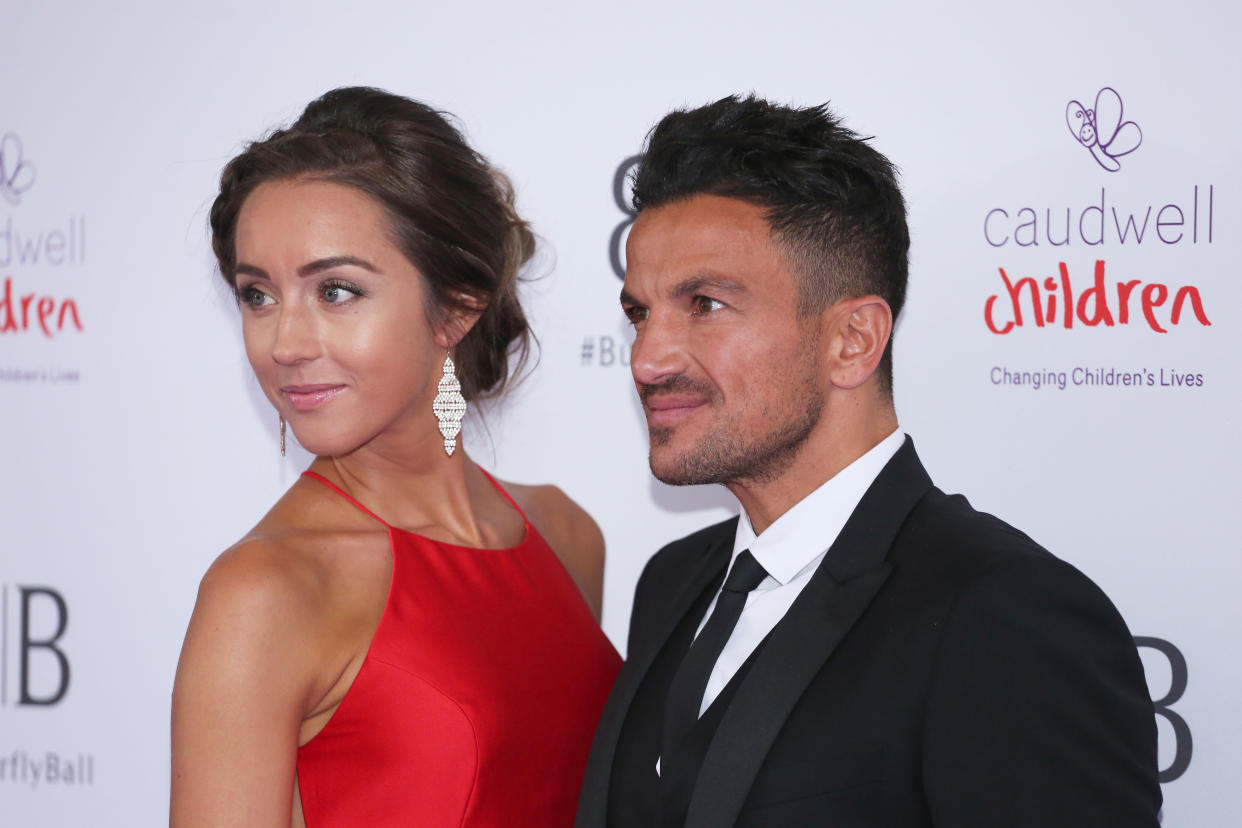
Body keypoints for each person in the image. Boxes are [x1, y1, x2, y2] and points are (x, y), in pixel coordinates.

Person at [576, 95, 1161, 827]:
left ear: (853, 340)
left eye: (705, 304)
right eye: (639, 312)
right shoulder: (673, 582)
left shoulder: (1005, 613)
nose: (648, 358)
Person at [171, 87, 621, 827]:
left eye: (336, 291)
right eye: (258, 295)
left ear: (457, 307)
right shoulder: (265, 593)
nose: (284, 343)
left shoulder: (568, 535)